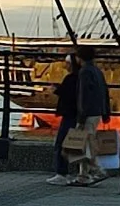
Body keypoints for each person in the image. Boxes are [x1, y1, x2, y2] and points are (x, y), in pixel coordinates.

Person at [65, 43, 109, 186]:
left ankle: (98, 170)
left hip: (88, 113)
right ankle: (82, 175)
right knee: (83, 144)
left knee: (84, 145)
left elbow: (83, 95)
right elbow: (104, 92)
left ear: (79, 58)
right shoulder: (97, 71)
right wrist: (106, 111)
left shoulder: (84, 72)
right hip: (97, 111)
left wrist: (81, 117)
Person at [45, 55, 80, 186]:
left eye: (67, 63)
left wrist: (57, 90)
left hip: (70, 114)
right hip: (78, 114)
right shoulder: (81, 77)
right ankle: (80, 172)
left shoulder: (71, 78)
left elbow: (69, 94)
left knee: (61, 144)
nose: (65, 66)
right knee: (76, 145)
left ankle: (61, 173)